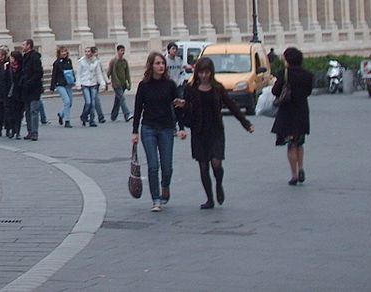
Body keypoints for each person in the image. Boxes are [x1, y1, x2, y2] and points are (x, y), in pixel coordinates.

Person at [176, 56, 254, 208]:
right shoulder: (190, 88)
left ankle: (219, 184)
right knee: (203, 166)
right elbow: (186, 109)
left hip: (216, 130)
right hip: (199, 131)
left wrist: (246, 124)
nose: (204, 76)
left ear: (211, 73)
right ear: (197, 73)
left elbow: (232, 106)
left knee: (216, 163)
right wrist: (182, 108)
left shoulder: (218, 88)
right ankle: (209, 198)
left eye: (207, 72)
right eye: (201, 73)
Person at [132, 51, 186, 212]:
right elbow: (137, 109)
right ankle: (156, 199)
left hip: (166, 128)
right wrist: (134, 132)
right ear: (151, 66)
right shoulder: (143, 85)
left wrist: (181, 128)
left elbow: (177, 108)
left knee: (167, 166)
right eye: (157, 63)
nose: (161, 66)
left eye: (162, 63)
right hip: (148, 127)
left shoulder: (170, 85)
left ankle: (165, 186)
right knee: (153, 165)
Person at [272, 46, 314, 186]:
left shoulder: (284, 73)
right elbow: (308, 91)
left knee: (291, 144)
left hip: (287, 112)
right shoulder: (307, 75)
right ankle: (301, 167)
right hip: (302, 111)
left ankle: (294, 174)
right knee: (300, 142)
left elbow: (275, 91)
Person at [18, 39, 43, 140]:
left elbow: (38, 73)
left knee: (34, 111)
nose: (22, 46)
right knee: (28, 111)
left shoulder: (34, 57)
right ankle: (29, 131)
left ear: (29, 46)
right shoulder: (25, 57)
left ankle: (34, 132)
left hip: (34, 88)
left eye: (24, 44)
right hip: (26, 88)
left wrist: (29, 82)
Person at [77, 46, 108, 127]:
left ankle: (92, 120)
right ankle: (84, 116)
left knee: (93, 103)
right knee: (88, 102)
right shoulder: (81, 61)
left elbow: (99, 73)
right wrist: (78, 84)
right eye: (86, 51)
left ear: (91, 52)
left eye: (89, 51)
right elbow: (78, 74)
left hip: (93, 84)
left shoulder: (96, 62)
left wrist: (102, 83)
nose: (87, 53)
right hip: (85, 84)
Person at [51, 45, 75, 127]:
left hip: (68, 83)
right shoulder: (57, 63)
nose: (64, 53)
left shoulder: (69, 61)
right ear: (59, 53)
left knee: (70, 103)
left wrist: (74, 80)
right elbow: (54, 75)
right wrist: (52, 87)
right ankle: (67, 121)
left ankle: (61, 114)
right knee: (67, 101)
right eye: (62, 52)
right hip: (60, 84)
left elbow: (72, 71)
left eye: (65, 51)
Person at [108, 44, 133, 122]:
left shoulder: (124, 61)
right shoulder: (114, 61)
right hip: (116, 84)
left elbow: (127, 73)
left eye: (123, 50)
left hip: (123, 84)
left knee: (118, 100)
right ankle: (127, 114)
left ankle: (113, 116)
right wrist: (107, 81)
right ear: (117, 51)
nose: (123, 52)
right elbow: (110, 72)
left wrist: (129, 82)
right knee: (122, 98)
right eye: (121, 50)